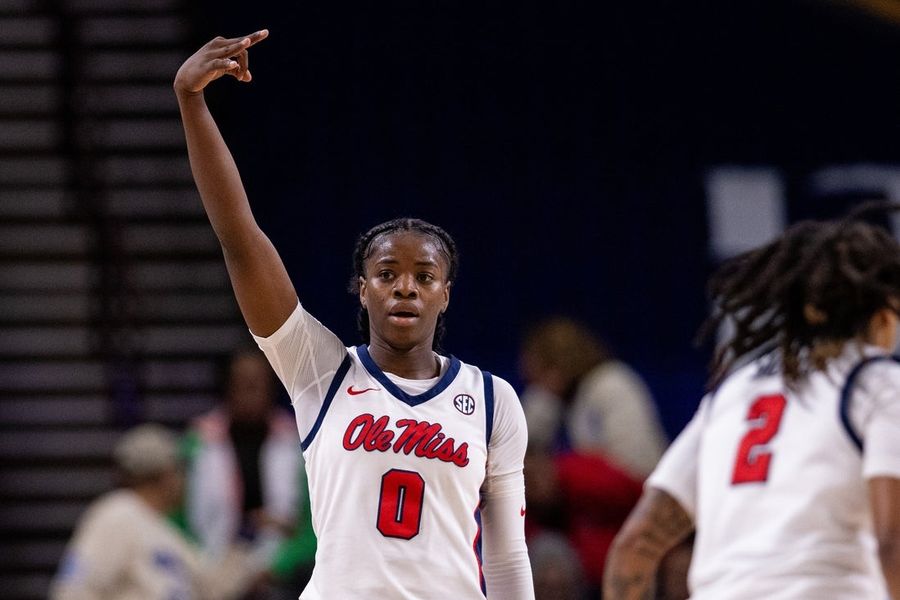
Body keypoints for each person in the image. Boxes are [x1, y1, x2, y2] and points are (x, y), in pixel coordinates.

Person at [174, 30, 534, 599]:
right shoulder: (320, 370)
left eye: (425, 277)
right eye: (387, 274)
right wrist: (191, 102)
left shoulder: (494, 401)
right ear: (360, 290)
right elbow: (239, 237)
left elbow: (508, 554)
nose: (405, 289)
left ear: (446, 294)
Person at [603, 209, 900, 599]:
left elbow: (634, 546)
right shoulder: (879, 381)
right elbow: (892, 540)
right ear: (882, 319)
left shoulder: (734, 392)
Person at [50, 424, 261, 600]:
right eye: (180, 469)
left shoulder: (164, 527)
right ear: (166, 475)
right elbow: (73, 590)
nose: (184, 480)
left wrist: (244, 538)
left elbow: (211, 586)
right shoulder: (116, 514)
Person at [182, 347, 316, 599]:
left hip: (280, 573)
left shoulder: (298, 440)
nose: (250, 391)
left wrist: (277, 565)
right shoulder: (197, 442)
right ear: (227, 387)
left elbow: (313, 527)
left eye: (258, 383)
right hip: (210, 570)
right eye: (242, 383)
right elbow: (177, 517)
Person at [519, 317, 666, 479]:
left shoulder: (611, 382)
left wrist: (563, 470)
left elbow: (634, 466)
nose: (537, 386)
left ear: (557, 365)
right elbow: (522, 445)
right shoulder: (558, 399)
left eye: (541, 374)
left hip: (640, 492)